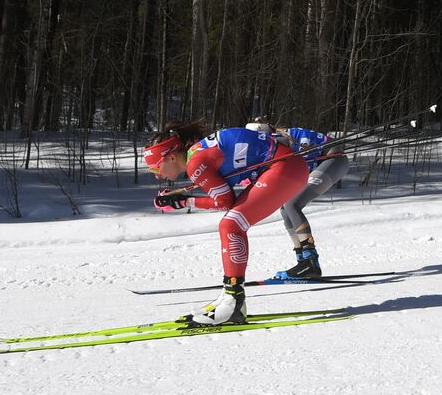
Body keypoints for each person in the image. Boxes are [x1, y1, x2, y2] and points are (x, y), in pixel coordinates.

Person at [144, 120, 309, 325]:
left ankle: (233, 302)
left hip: (285, 168)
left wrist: (184, 202)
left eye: (155, 168)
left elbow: (224, 201)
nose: (158, 175)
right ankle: (229, 297)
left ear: (170, 157)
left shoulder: (195, 163)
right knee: (231, 223)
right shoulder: (196, 155)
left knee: (231, 224)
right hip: (285, 166)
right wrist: (181, 199)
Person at [246, 119, 351, 279]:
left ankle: (310, 261)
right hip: (320, 164)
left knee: (292, 204)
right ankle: (302, 261)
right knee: (285, 209)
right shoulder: (266, 146)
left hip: (334, 160)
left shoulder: (277, 139)